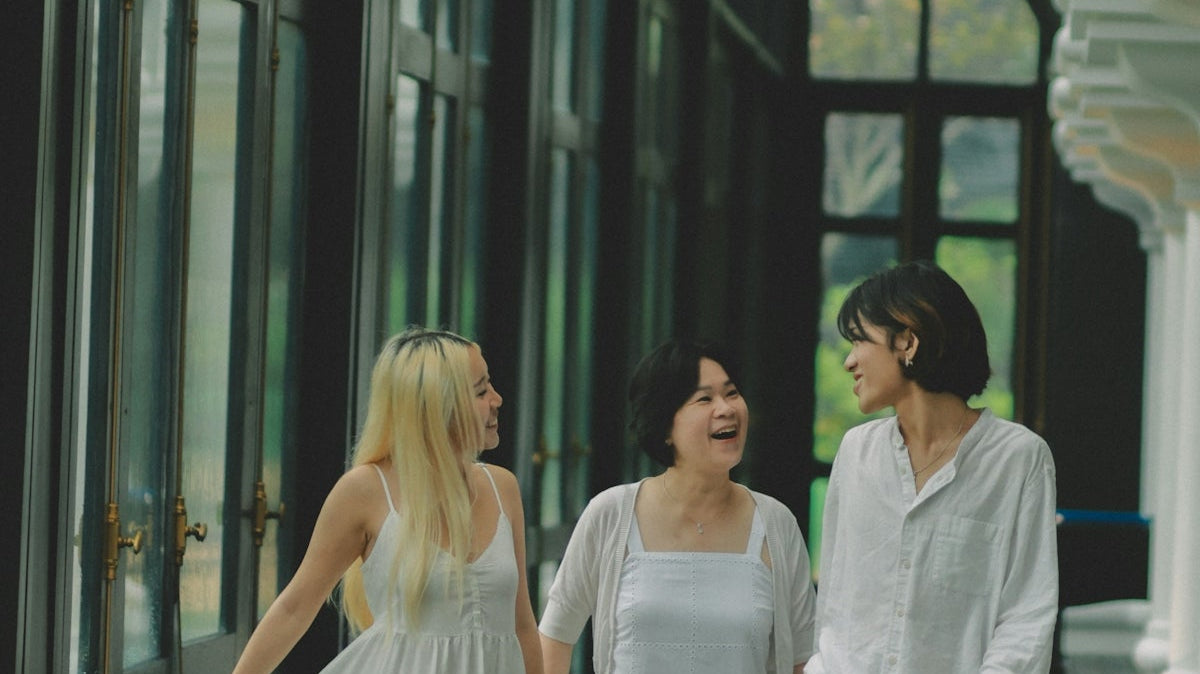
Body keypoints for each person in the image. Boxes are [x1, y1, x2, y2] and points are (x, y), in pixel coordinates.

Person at [232, 327, 542, 674]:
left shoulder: (503, 487)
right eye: (481, 391)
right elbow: (295, 608)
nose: (497, 399)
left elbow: (523, 626)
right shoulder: (363, 490)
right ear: (435, 406)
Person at [805, 261, 1058, 673]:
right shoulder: (856, 453)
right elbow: (834, 609)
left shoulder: (1017, 459)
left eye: (859, 341)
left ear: (907, 341)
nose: (849, 361)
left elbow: (1026, 620)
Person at [538, 339, 817, 674]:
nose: (726, 408)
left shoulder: (776, 523)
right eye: (704, 399)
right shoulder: (611, 513)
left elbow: (804, 657)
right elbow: (554, 637)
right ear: (665, 426)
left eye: (731, 393)